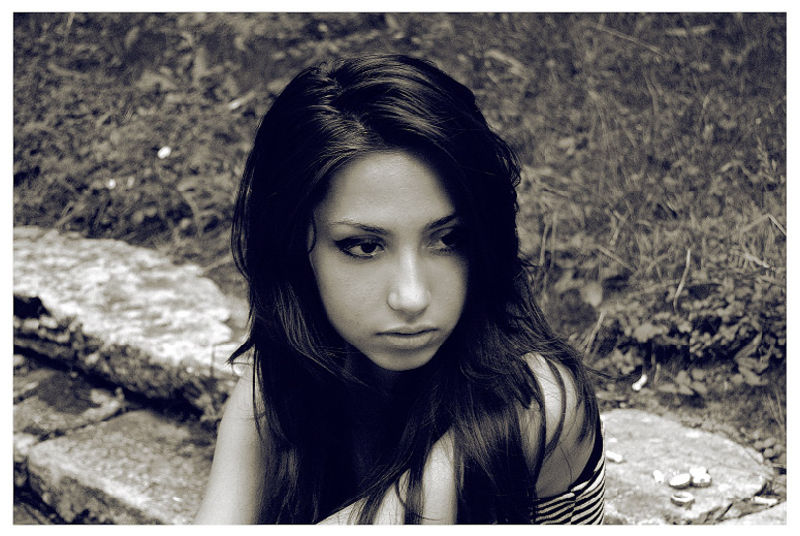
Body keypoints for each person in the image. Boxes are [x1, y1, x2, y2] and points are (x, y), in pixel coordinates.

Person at [194, 54, 604, 525]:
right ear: (293, 251)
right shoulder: (275, 391)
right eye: (365, 247)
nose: (412, 297)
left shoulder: (537, 397)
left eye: (448, 239)